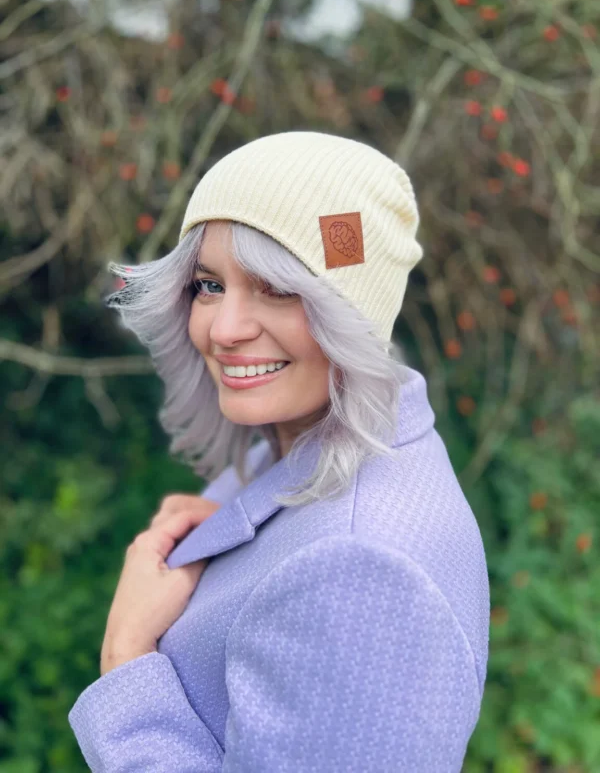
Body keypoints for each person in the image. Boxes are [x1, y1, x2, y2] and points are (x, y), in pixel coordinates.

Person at [68, 130, 490, 771]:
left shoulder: (362, 571)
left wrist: (127, 655)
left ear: (353, 310)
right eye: (209, 285)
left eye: (277, 287)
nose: (226, 329)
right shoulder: (293, 451)